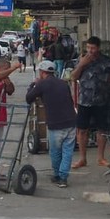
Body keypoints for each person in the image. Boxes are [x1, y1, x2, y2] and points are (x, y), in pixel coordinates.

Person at [70, 36, 110, 168]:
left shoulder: (106, 61)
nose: (90, 50)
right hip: (84, 100)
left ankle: (101, 158)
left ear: (98, 48)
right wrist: (81, 65)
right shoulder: (82, 60)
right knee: (82, 130)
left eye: (93, 48)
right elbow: (73, 77)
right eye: (88, 47)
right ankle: (82, 159)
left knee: (101, 130)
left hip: (102, 101)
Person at [26, 60, 77, 188]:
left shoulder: (42, 84)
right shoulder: (63, 83)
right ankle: (63, 178)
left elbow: (28, 98)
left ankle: (57, 175)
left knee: (55, 152)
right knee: (67, 151)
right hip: (71, 121)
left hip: (55, 123)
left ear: (42, 72)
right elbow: (70, 100)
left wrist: (33, 85)